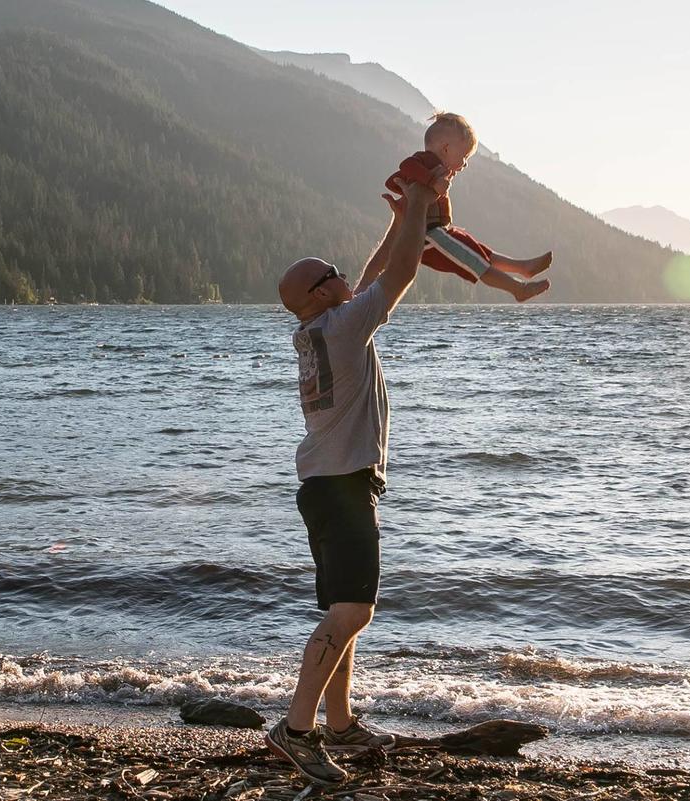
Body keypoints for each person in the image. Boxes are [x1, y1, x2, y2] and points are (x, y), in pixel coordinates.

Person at [266, 168, 446, 785]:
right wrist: (420, 206)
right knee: (353, 613)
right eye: (331, 272)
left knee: (342, 609)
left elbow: (368, 279)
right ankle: (296, 729)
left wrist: (400, 222)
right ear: (320, 293)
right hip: (342, 484)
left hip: (324, 484)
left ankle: (340, 723)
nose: (345, 274)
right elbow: (396, 278)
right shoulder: (342, 326)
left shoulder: (318, 329)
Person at [386, 111, 552, 302]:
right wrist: (431, 181)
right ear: (446, 149)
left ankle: (522, 267)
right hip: (427, 238)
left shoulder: (439, 170)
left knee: (478, 250)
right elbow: (403, 168)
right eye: (464, 157)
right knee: (475, 261)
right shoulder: (426, 162)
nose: (464, 164)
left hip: (439, 232)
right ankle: (517, 288)